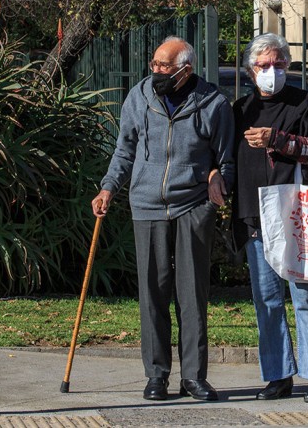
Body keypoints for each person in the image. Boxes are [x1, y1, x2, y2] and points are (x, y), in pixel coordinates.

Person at [91, 36, 235, 402]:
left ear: (185, 70)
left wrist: (219, 179)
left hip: (192, 205)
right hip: (147, 206)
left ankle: (194, 377)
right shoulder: (139, 97)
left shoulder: (214, 103)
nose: (156, 71)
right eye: (154, 64)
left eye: (164, 67)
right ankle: (156, 375)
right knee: (153, 295)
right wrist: (109, 187)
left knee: (192, 296)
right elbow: (124, 148)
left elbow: (226, 159)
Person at [230, 32, 308, 402]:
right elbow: (227, 159)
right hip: (255, 217)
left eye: (278, 64)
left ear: (287, 66)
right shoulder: (240, 110)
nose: (271, 71)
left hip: (297, 217)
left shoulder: (305, 103)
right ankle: (278, 375)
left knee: (306, 296)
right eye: (263, 65)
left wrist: (277, 139)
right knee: (267, 301)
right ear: (249, 70)